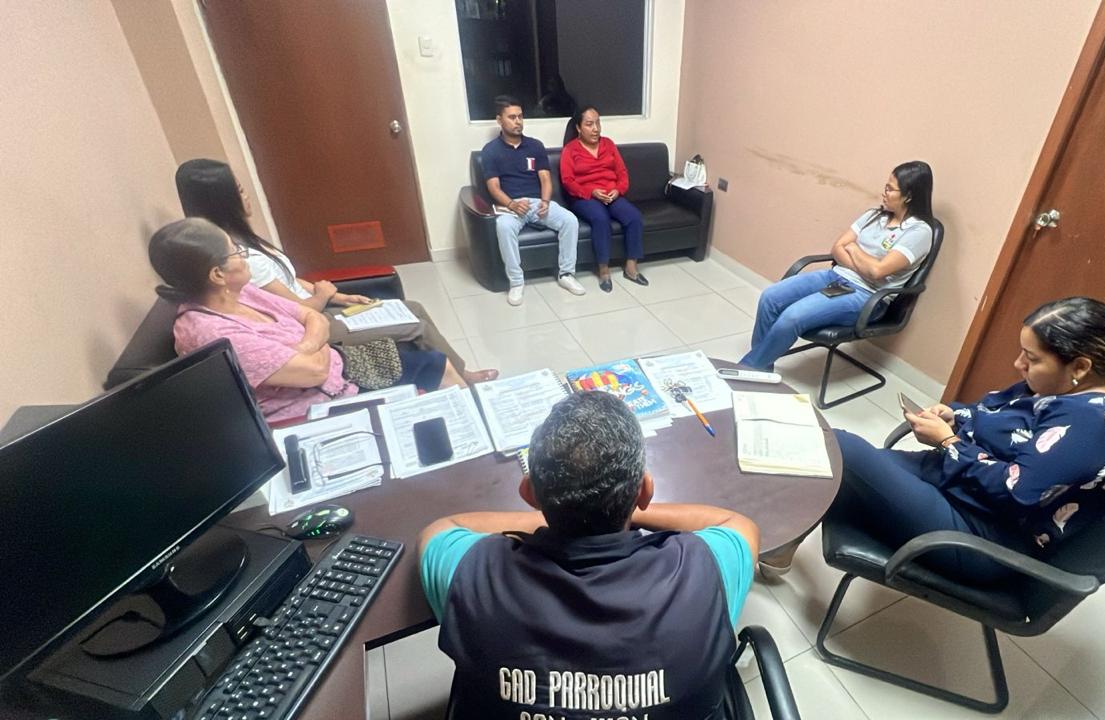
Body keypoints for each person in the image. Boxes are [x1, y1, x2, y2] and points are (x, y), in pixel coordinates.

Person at [418, 391, 760, 717]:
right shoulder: (703, 571)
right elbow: (738, 525)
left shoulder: (472, 573)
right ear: (644, 492)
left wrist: (559, 504)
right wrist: (626, 503)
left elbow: (442, 528)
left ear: (528, 494)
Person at [781, 297, 1105, 583]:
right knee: (838, 468)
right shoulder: (1059, 388)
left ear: (1080, 367)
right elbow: (999, 416)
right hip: (960, 487)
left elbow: (1016, 491)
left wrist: (949, 443)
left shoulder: (1093, 424)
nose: (1019, 364)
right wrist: (956, 415)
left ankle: (771, 543)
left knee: (841, 447)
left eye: (1031, 359)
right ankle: (781, 544)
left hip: (983, 535)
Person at [173, 159, 498, 384]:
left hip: (321, 310)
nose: (247, 197)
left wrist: (340, 296)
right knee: (416, 324)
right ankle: (461, 377)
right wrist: (325, 295)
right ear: (223, 200)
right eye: (240, 190)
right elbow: (299, 310)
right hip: (321, 320)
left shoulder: (243, 243)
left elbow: (290, 281)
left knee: (414, 307)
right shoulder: (242, 263)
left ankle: (460, 371)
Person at [149, 218, 464, 423]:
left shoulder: (239, 292)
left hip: (340, 368)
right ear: (217, 274)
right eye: (237, 253)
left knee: (439, 365)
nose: (244, 257)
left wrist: (305, 344)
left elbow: (311, 315)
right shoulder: (214, 334)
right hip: (320, 404)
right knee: (437, 374)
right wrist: (315, 340)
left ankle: (477, 425)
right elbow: (314, 370)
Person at [740, 160, 935, 370]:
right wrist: (864, 263)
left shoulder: (919, 232)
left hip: (868, 296)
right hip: (835, 277)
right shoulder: (873, 215)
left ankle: (748, 369)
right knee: (770, 297)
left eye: (890, 189)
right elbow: (838, 248)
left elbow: (877, 271)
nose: (884, 192)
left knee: (792, 316)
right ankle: (761, 368)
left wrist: (854, 249)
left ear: (908, 196)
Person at [480, 95, 585, 306]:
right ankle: (516, 282)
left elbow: (545, 178)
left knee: (570, 220)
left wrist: (545, 201)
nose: (518, 121)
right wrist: (512, 204)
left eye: (520, 116)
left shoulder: (535, 146)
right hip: (510, 205)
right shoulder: (490, 151)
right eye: (512, 117)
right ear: (499, 120)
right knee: (503, 227)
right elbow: (494, 187)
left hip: (537, 202)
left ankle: (566, 274)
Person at [560, 105, 648, 292]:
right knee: (601, 219)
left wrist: (618, 190)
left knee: (633, 217)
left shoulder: (608, 144)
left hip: (611, 194)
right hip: (584, 197)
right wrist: (591, 192)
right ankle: (604, 270)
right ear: (578, 127)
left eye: (598, 123)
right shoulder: (570, 149)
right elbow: (568, 181)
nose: (596, 129)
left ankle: (631, 267)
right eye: (589, 124)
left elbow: (622, 173)